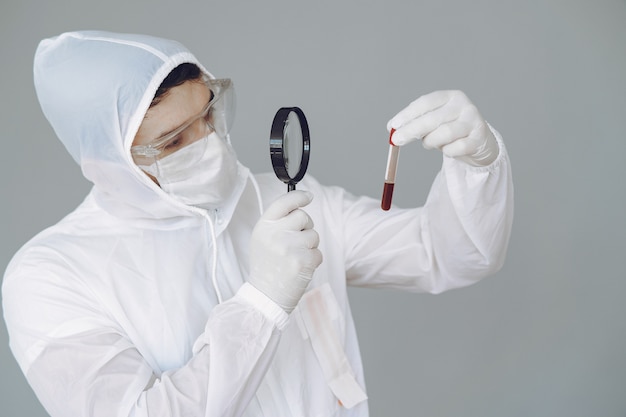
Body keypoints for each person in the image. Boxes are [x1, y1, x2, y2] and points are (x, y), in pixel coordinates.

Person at [2, 30, 513, 417]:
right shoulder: (50, 277)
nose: (209, 142)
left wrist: (478, 163)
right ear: (110, 162)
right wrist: (263, 301)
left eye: (209, 114)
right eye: (174, 141)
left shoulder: (281, 201)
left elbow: (451, 254)